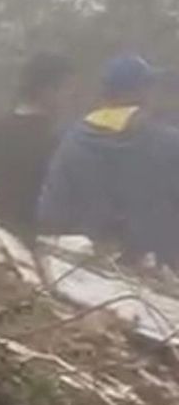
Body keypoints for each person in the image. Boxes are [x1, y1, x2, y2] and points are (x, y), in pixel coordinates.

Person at [38, 54, 179, 265]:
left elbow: (50, 213)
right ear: (141, 92)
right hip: (160, 276)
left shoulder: (71, 142)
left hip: (89, 274)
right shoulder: (168, 143)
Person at [0, 52, 74, 242]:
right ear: (47, 90)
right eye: (67, 89)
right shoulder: (56, 141)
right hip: (39, 249)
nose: (70, 98)